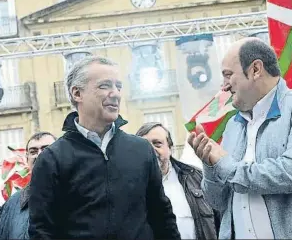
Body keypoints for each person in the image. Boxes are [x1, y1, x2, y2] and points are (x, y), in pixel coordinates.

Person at [28, 56, 180, 239]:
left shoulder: (141, 150)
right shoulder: (52, 158)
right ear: (77, 93)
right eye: (105, 86)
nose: (115, 93)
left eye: (119, 86)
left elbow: (162, 216)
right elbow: (42, 230)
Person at [188, 38, 292, 239]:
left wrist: (226, 166)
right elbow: (217, 201)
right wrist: (210, 165)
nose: (223, 87)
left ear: (255, 70)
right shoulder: (233, 125)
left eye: (228, 75)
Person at [137, 122, 220, 239]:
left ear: (170, 148)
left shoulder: (197, 177)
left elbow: (219, 221)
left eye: (157, 144)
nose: (151, 150)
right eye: (144, 146)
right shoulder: (131, 186)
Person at [0, 132, 57, 240]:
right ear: (27, 158)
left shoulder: (76, 195)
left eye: (46, 149)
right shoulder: (11, 204)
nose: (39, 154)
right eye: (33, 151)